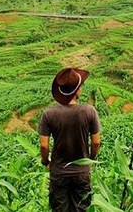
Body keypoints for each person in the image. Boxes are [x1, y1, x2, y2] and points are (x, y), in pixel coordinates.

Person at [38, 68, 101, 212]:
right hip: (81, 172)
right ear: (77, 90)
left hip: (59, 173)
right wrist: (90, 160)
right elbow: (96, 142)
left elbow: (43, 145)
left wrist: (45, 162)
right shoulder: (89, 111)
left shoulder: (49, 114)